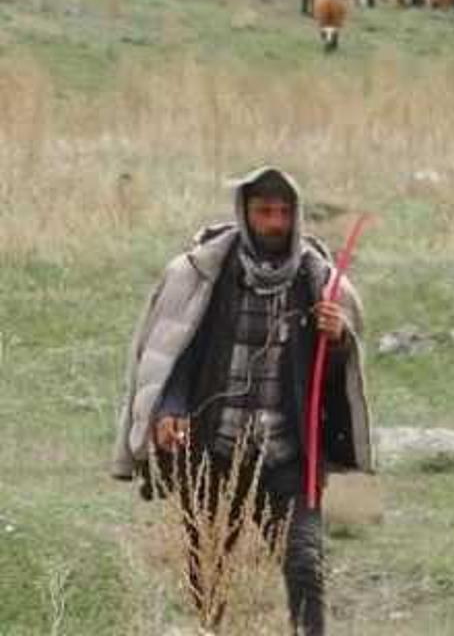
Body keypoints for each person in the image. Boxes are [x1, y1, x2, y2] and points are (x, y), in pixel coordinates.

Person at [110, 166, 372, 635]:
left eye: (283, 213)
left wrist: (336, 340)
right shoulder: (202, 274)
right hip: (216, 452)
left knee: (306, 566)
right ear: (244, 214)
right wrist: (168, 409)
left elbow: (332, 380)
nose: (274, 223)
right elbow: (174, 352)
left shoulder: (317, 280)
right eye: (263, 212)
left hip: (287, 457)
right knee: (208, 570)